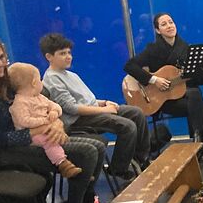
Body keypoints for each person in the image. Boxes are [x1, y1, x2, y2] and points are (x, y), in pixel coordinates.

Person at [0, 32, 104, 203]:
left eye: (2, 57)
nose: (0, 63)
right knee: (87, 152)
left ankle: (86, 202)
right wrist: (42, 128)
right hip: (4, 151)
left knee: (97, 146)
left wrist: (56, 124)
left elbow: (44, 102)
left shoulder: (9, 82)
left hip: (36, 135)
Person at [41, 33, 149, 180]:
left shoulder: (70, 75)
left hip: (93, 111)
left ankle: (140, 159)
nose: (68, 57)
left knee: (136, 112)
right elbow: (72, 108)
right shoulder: (52, 79)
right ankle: (118, 169)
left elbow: (87, 100)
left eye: (69, 53)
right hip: (78, 120)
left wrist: (104, 102)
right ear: (49, 57)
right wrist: (104, 110)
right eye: (62, 53)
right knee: (127, 126)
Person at [122, 12, 203, 147]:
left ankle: (199, 140)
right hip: (162, 100)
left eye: (171, 22)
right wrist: (154, 80)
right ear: (157, 30)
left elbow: (192, 79)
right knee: (201, 104)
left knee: (195, 95)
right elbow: (129, 66)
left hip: (184, 96)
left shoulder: (186, 48)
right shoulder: (152, 50)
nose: (169, 26)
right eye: (164, 24)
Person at [6, 63, 82, 178]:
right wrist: (45, 120)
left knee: (60, 138)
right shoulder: (19, 103)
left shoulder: (40, 97)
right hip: (32, 136)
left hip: (45, 130)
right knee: (49, 141)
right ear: (34, 83)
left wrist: (54, 112)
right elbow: (24, 121)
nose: (42, 83)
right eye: (40, 80)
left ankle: (80, 172)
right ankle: (63, 164)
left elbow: (55, 106)